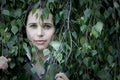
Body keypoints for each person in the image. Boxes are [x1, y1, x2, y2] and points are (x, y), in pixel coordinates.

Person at [0, 1, 69, 80]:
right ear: (25, 28)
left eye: (47, 26)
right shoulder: (12, 61)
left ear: (56, 29)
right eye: (33, 26)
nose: (39, 33)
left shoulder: (68, 63)